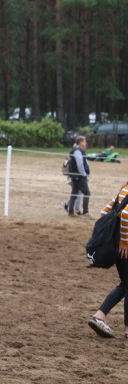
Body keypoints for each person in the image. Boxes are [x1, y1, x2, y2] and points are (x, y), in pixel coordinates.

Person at [87, 180, 128, 339]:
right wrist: (124, 241)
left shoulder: (125, 189)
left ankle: (100, 316)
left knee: (125, 283)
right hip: (125, 245)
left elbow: (105, 212)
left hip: (115, 243)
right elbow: (126, 215)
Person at [63, 136, 91, 218]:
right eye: (85, 141)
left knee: (74, 193)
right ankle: (86, 212)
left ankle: (71, 212)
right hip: (79, 176)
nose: (86, 143)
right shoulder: (77, 151)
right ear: (81, 142)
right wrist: (83, 174)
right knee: (87, 193)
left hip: (76, 176)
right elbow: (80, 164)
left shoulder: (80, 151)